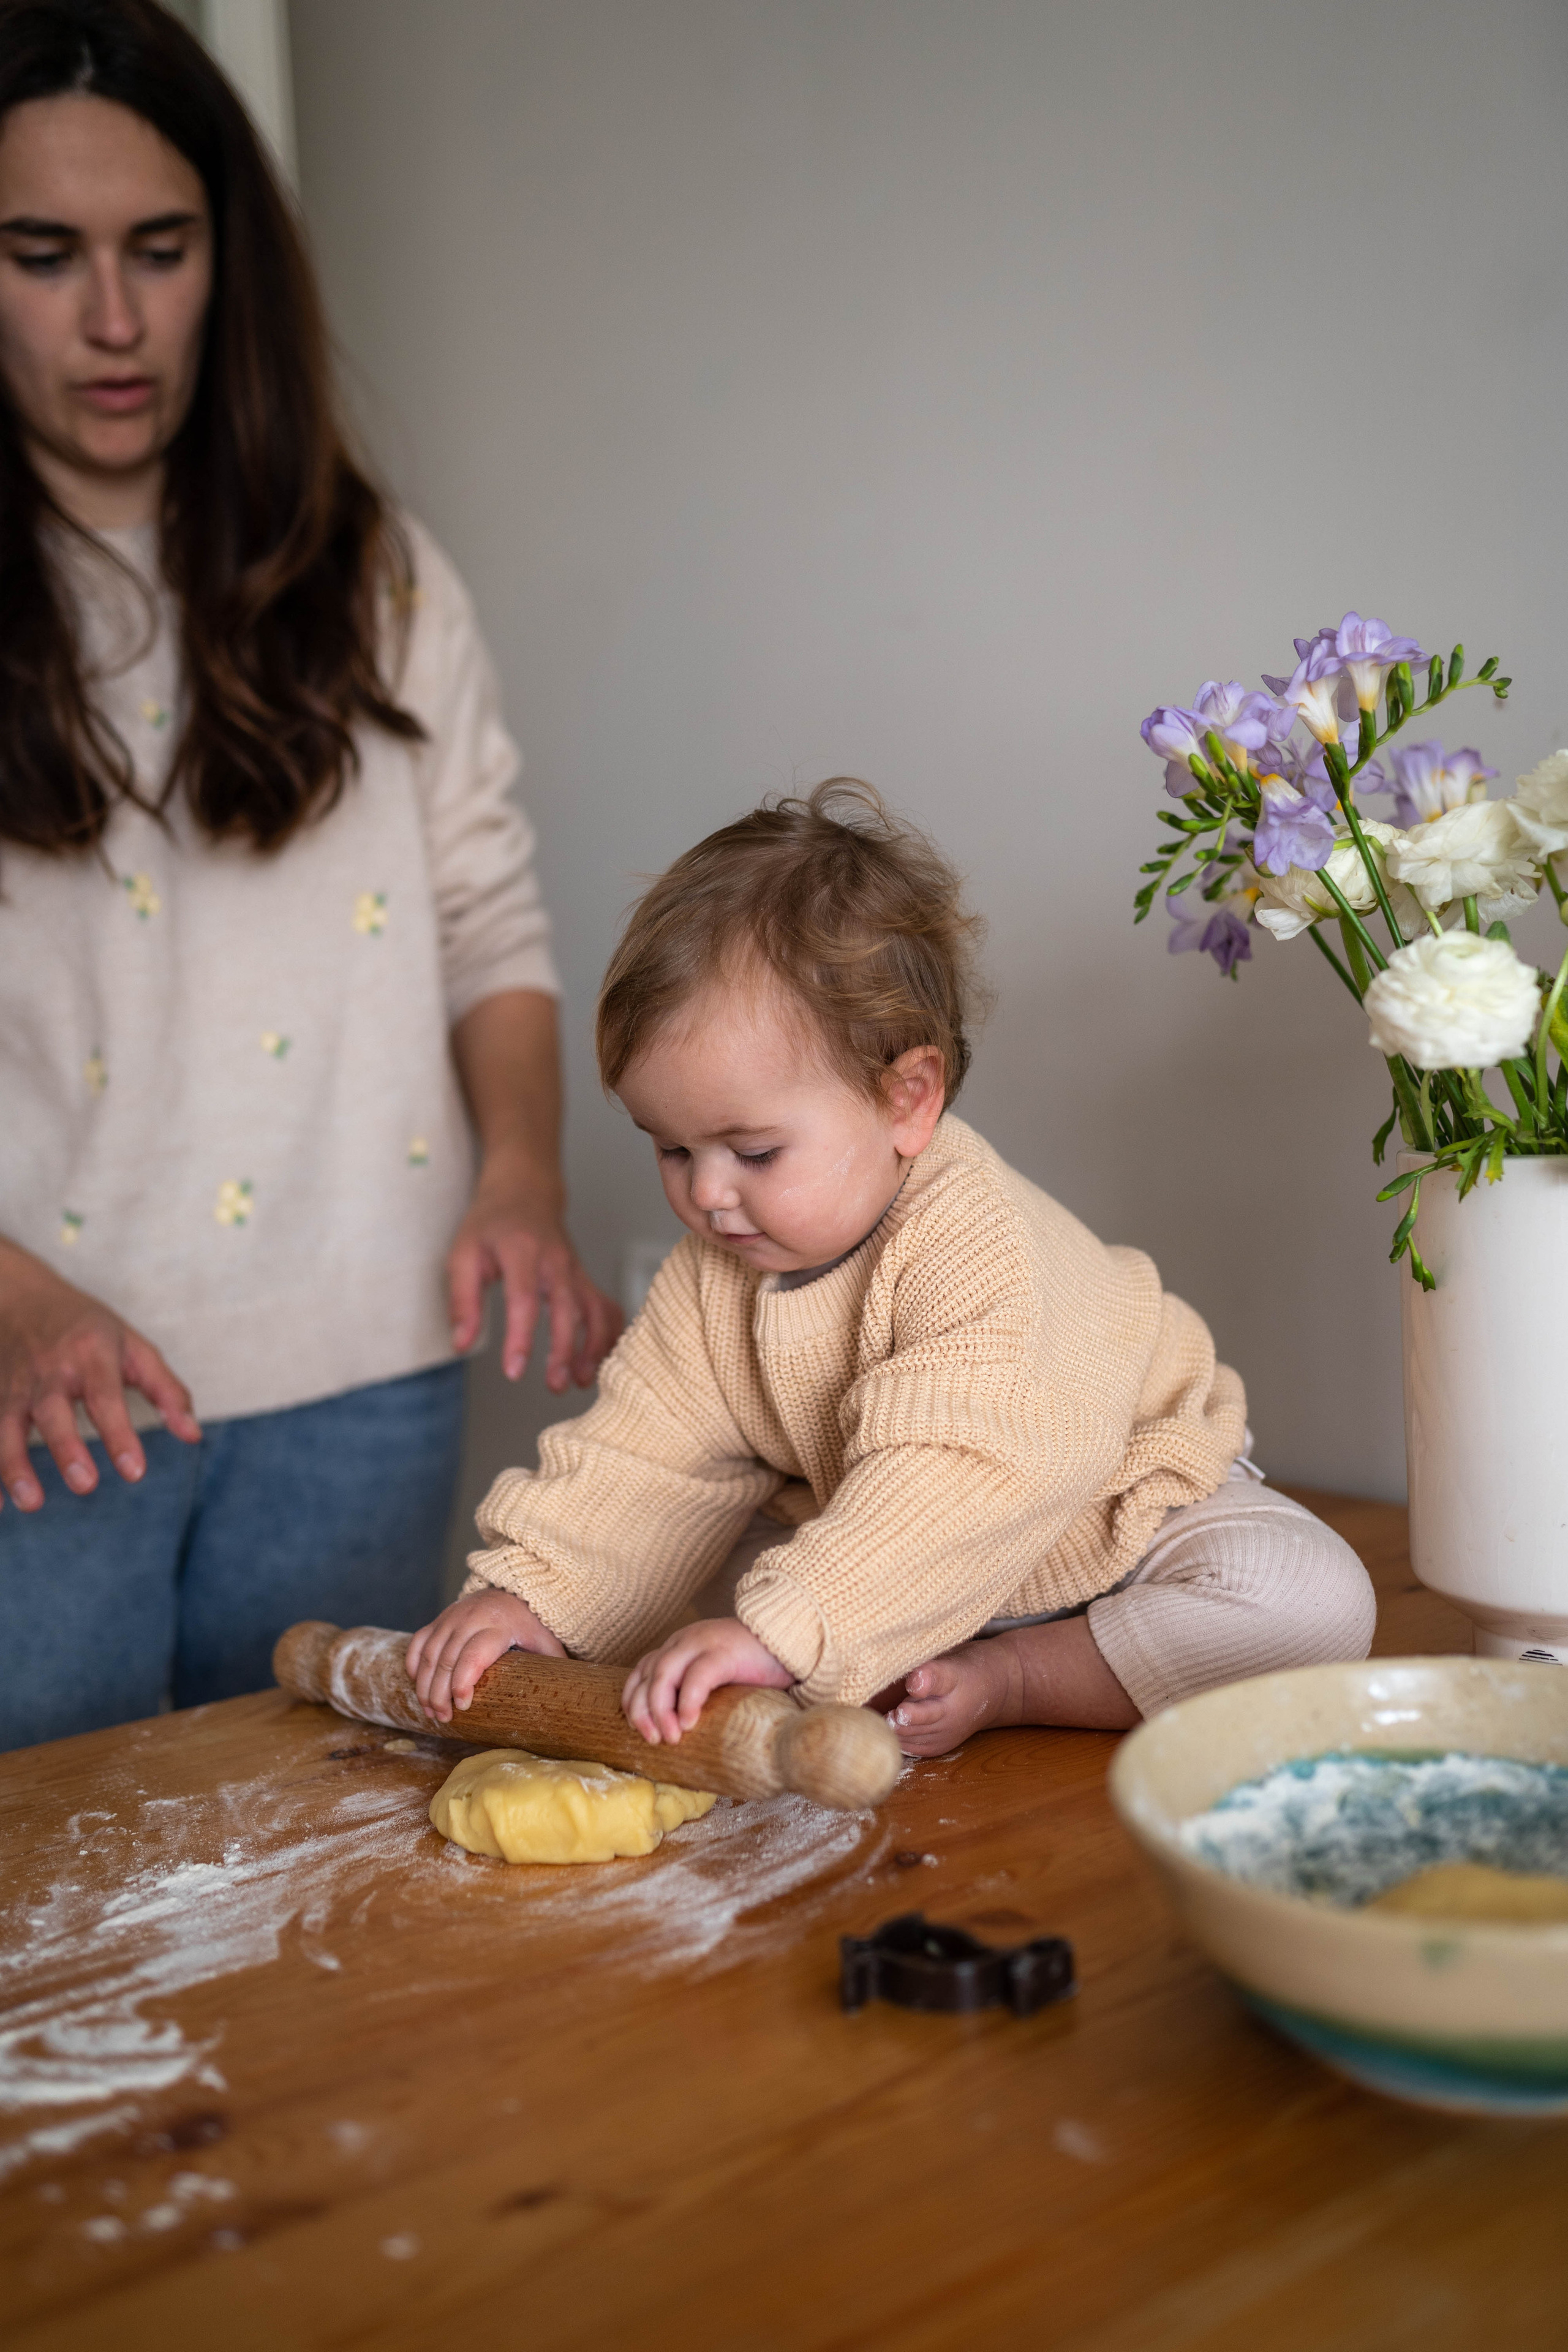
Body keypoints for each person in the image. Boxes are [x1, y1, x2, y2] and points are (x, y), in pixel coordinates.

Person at [0, 0, 619, 1747]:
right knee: (55, 1928)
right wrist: (18, 1311)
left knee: (318, 1894)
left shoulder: (378, 577)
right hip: (43, 1384)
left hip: (366, 1364)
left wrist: (517, 1177)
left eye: (160, 250)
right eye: (41, 256)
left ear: (230, 263)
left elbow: (488, 920)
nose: (114, 321)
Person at [406, 782, 1375, 1751]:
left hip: (1110, 1516)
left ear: (908, 1099)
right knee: (669, 1604)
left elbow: (964, 1465)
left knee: (1308, 1600)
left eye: (752, 1153)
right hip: (872, 1551)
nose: (707, 1195)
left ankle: (1023, 1676)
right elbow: (645, 1453)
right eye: (671, 1150)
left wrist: (784, 1629)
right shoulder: (713, 1274)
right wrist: (532, 1595)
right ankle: (865, 1655)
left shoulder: (971, 1238)